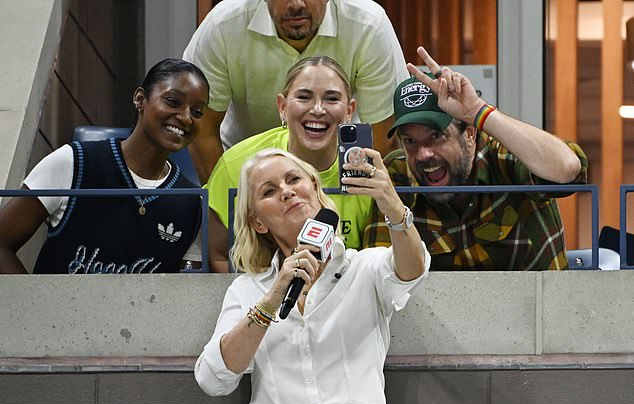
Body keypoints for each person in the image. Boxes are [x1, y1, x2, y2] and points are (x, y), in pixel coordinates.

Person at [195, 148, 430, 404]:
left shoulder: (363, 268)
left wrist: (392, 205)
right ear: (257, 222)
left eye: (294, 179)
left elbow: (413, 270)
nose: (286, 192)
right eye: (269, 191)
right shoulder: (248, 290)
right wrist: (272, 299)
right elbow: (212, 379)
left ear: (315, 189)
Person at [363, 46, 589, 270]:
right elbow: (378, 272)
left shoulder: (504, 158)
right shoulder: (397, 174)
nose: (423, 154)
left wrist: (478, 112)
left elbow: (568, 169)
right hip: (439, 306)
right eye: (410, 141)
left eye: (436, 136)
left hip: (537, 304)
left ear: (470, 134)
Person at [0, 59, 209, 274]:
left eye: (198, 112)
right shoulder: (72, 162)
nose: (186, 117)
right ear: (140, 99)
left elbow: (185, 288)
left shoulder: (191, 201)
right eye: (173, 101)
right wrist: (34, 304)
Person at [182, 0, 409, 183]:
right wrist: (233, 207)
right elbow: (202, 128)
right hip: (244, 168)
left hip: (341, 170)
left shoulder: (369, 24)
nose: (296, 4)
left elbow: (381, 136)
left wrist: (349, 201)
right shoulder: (224, 24)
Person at [205, 56, 372, 272]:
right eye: (304, 97)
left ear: (349, 111)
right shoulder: (236, 165)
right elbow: (218, 254)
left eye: (331, 99)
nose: (318, 109)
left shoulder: (367, 173)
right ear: (282, 107)